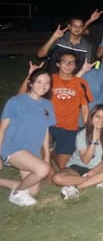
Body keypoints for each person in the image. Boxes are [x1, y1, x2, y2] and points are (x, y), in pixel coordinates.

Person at [0, 68, 55, 206]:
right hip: (13, 148)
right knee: (42, 169)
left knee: (32, 190)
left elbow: (45, 131)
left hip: (32, 151)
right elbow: (2, 128)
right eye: (39, 82)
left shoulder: (47, 105)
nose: (43, 86)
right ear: (30, 83)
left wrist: (47, 156)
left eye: (47, 83)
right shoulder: (16, 101)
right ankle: (17, 193)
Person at [40, 51, 93, 170]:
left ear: (75, 66)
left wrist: (87, 129)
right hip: (49, 125)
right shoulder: (49, 80)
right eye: (65, 62)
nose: (69, 65)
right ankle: (46, 153)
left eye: (72, 63)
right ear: (58, 64)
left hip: (69, 128)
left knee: (63, 166)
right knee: (41, 154)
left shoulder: (81, 83)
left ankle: (53, 153)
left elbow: (84, 108)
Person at [53, 104, 103, 199]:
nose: (101, 120)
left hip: (97, 168)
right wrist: (93, 142)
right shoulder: (81, 135)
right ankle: (98, 180)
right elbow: (85, 161)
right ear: (91, 117)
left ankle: (76, 187)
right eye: (97, 116)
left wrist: (95, 170)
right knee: (57, 178)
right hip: (77, 167)